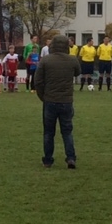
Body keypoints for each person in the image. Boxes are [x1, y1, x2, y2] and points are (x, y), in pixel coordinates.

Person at [34, 35, 81, 169]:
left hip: (50, 100)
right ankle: (70, 157)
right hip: (66, 100)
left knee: (49, 132)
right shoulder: (72, 60)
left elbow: (38, 81)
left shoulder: (46, 60)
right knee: (67, 131)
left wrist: (43, 96)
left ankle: (48, 160)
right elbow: (78, 72)